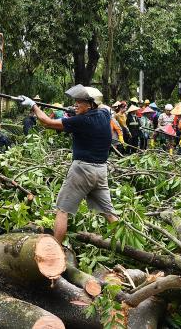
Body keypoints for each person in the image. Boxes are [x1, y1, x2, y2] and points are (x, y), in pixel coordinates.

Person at [19, 85, 119, 244]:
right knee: (109, 212)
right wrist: (76, 111)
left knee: (62, 210)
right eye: (76, 101)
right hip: (101, 172)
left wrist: (33, 105)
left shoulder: (82, 121)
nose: (76, 104)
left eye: (80, 101)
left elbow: (47, 122)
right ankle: (128, 246)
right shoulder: (104, 115)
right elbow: (104, 107)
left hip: (82, 171)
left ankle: (55, 249)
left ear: (91, 104)